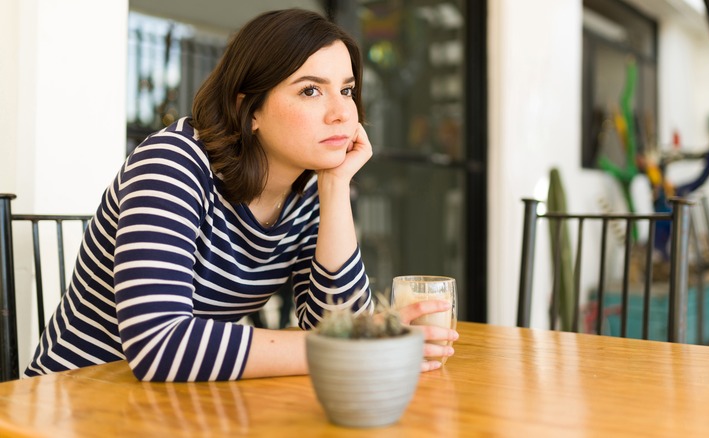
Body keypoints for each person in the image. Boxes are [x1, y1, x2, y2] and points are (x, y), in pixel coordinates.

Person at [24, 8, 458, 382]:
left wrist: (335, 185)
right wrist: (360, 344)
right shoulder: (172, 163)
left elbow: (337, 326)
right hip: (72, 404)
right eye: (311, 90)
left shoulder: (308, 184)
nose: (343, 111)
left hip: (183, 403)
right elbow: (159, 343)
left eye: (345, 89)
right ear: (248, 110)